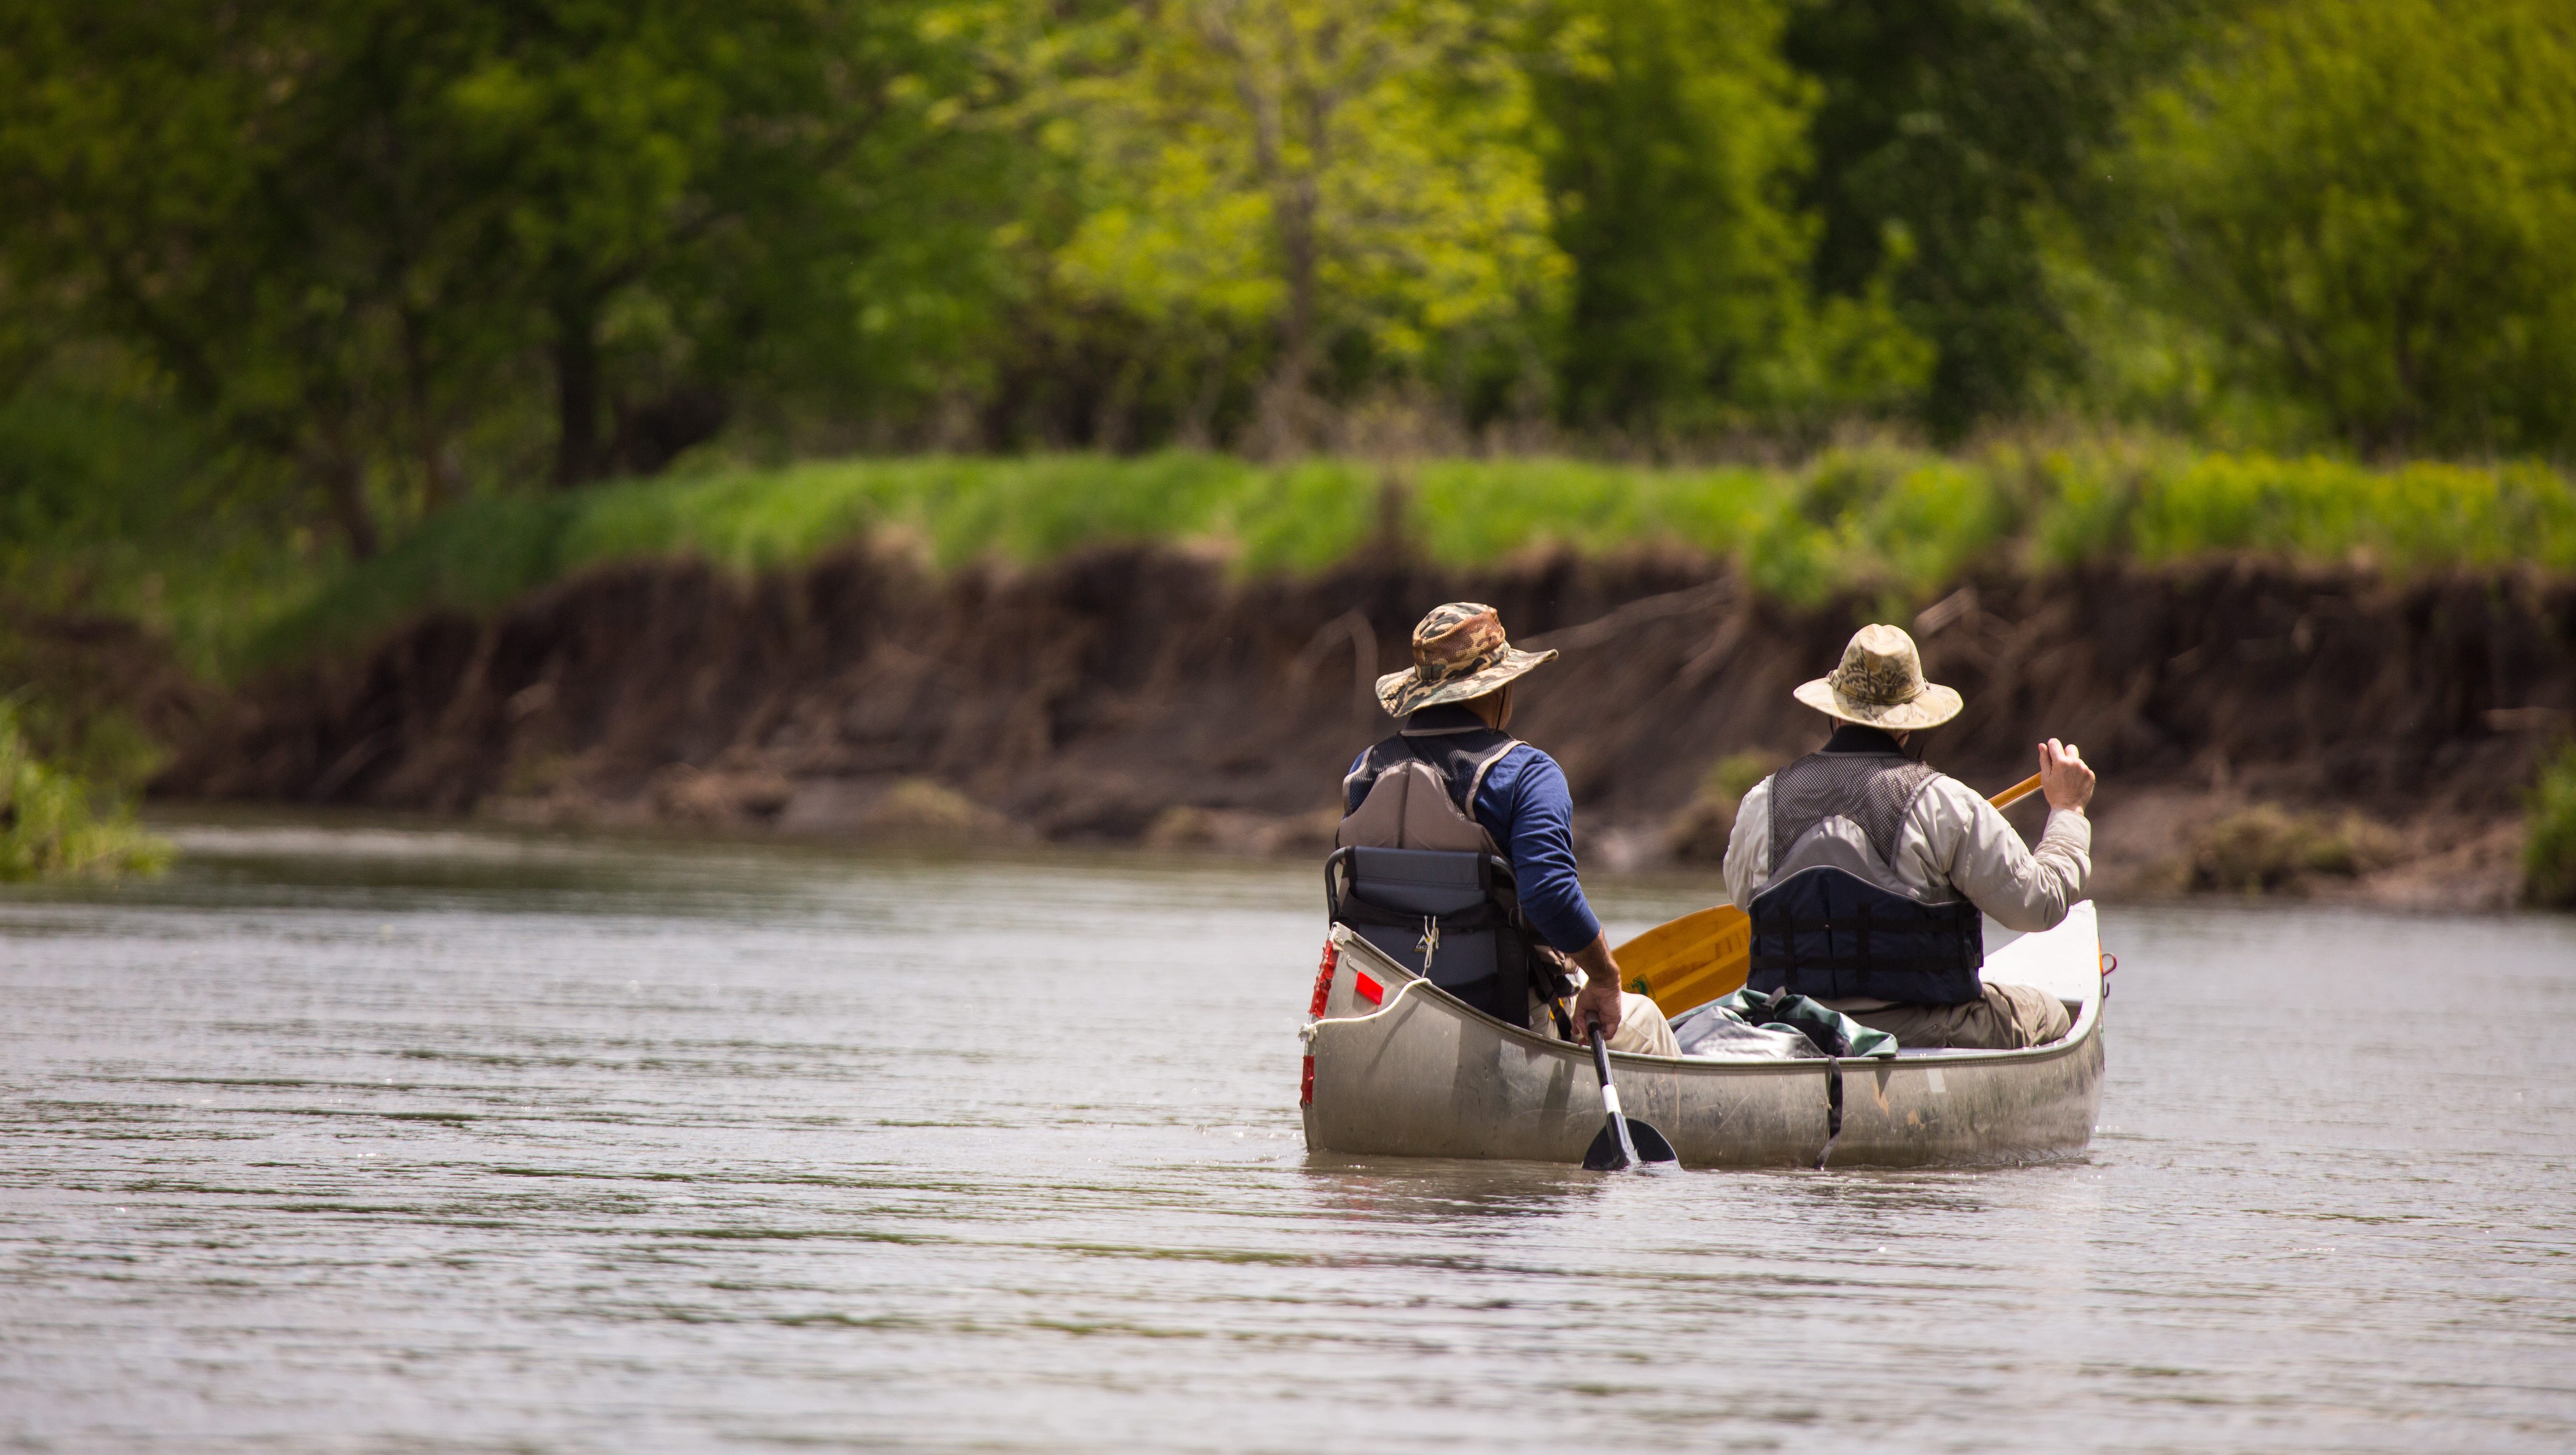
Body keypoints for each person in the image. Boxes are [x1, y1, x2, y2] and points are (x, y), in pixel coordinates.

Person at [1720, 623, 2097, 1050]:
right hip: (1918, 1027)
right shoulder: (1946, 803)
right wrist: (2068, 811)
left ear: (1836, 711)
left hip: (1790, 1025)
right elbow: (2040, 905)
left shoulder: (1762, 801)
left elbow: (1740, 895)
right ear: (1911, 723)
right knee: (2049, 1010)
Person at [1335, 602, 1679, 1057]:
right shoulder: (1528, 774)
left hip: (1383, 1014)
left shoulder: (1364, 771)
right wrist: (1604, 977)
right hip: (1504, 1021)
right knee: (1648, 1019)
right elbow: (1550, 894)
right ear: (1498, 689)